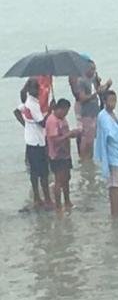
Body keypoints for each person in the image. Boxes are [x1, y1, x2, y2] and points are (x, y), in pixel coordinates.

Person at [13, 79, 53, 210]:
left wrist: (27, 126)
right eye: (35, 89)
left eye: (38, 88)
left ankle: (37, 198)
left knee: (34, 173)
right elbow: (42, 123)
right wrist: (51, 109)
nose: (37, 91)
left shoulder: (27, 103)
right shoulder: (33, 104)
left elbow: (17, 111)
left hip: (31, 141)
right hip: (37, 143)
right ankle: (46, 199)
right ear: (30, 90)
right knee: (43, 173)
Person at [94, 90, 118, 221]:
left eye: (115, 100)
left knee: (117, 186)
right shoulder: (102, 116)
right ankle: (115, 214)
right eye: (110, 100)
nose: (113, 103)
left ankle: (116, 213)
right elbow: (110, 134)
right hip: (112, 155)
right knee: (114, 186)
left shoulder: (114, 114)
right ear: (104, 101)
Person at [73, 60, 112, 161]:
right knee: (87, 138)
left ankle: (90, 157)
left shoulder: (94, 79)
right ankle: (84, 158)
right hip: (87, 113)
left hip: (96, 111)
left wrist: (107, 85)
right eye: (91, 69)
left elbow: (100, 90)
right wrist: (95, 94)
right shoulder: (81, 81)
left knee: (94, 137)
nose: (93, 71)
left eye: (94, 69)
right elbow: (82, 98)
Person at [46, 99, 80, 211]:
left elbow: (65, 134)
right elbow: (54, 140)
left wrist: (73, 134)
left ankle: (67, 202)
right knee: (59, 181)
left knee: (67, 178)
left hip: (65, 154)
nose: (66, 114)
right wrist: (68, 134)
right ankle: (58, 206)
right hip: (56, 155)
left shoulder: (63, 119)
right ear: (59, 109)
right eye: (65, 111)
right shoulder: (52, 120)